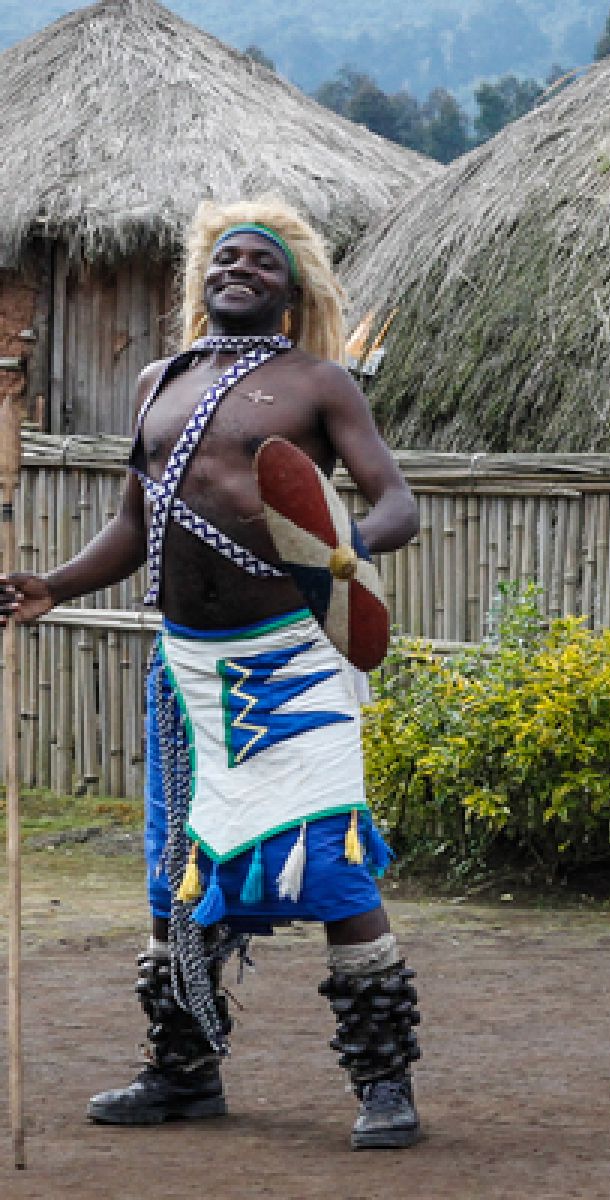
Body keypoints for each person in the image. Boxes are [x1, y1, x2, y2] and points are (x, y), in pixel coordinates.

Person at [2, 200, 425, 1149]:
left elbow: (397, 503)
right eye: (225, 258)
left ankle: (383, 1082)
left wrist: (341, 553)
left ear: (292, 290)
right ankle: (184, 1070)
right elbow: (134, 523)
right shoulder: (159, 381)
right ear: (203, 277)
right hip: (187, 671)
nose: (238, 270)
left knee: (330, 868)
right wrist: (52, 587)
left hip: (290, 665)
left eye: (261, 262)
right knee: (176, 876)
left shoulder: (320, 384)